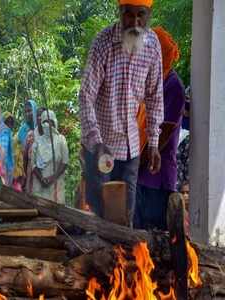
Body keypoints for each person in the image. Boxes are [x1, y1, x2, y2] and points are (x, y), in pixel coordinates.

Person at [79, 0, 164, 226]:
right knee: (101, 220)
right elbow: (86, 95)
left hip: (132, 150)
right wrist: (96, 141)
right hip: (101, 150)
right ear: (119, 12)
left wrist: (154, 142)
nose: (134, 22)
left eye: (141, 15)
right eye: (128, 15)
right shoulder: (103, 42)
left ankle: (126, 260)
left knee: (126, 218)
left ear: (149, 15)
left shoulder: (153, 45)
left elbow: (155, 96)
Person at [134, 27, 186, 230]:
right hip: (140, 173)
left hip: (157, 176)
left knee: (154, 239)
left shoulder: (173, 86)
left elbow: (163, 133)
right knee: (135, 236)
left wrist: (135, 163)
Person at [32, 110, 69, 204]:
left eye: (50, 121)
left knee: (56, 213)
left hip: (56, 186)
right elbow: (33, 165)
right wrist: (42, 179)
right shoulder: (37, 142)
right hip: (40, 186)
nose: (47, 124)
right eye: (45, 121)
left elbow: (65, 163)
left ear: (54, 123)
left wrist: (52, 178)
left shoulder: (61, 140)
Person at [4, 112, 24, 191]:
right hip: (2, 177)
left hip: (14, 178)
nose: (9, 125)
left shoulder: (15, 140)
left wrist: (18, 174)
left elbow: (19, 159)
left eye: (11, 123)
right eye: (6, 122)